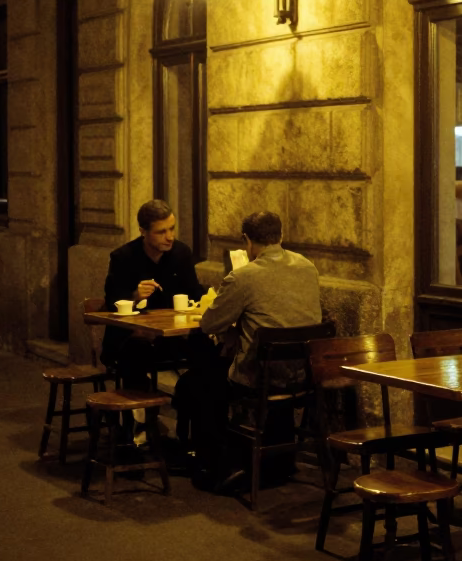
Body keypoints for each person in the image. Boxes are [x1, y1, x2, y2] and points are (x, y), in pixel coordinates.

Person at [174, 210, 321, 491]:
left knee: (197, 383)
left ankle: (217, 464)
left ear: (247, 240)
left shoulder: (244, 276)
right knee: (215, 376)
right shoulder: (307, 267)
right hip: (303, 376)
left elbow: (209, 324)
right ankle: (279, 461)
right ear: (281, 235)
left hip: (259, 380)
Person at [100, 199, 204, 388]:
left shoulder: (181, 253)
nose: (170, 237)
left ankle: (191, 405)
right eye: (161, 232)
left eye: (172, 229)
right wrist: (135, 296)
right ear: (143, 231)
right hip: (130, 339)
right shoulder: (123, 257)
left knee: (208, 348)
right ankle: (141, 410)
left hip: (171, 338)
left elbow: (195, 293)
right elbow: (112, 302)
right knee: (137, 350)